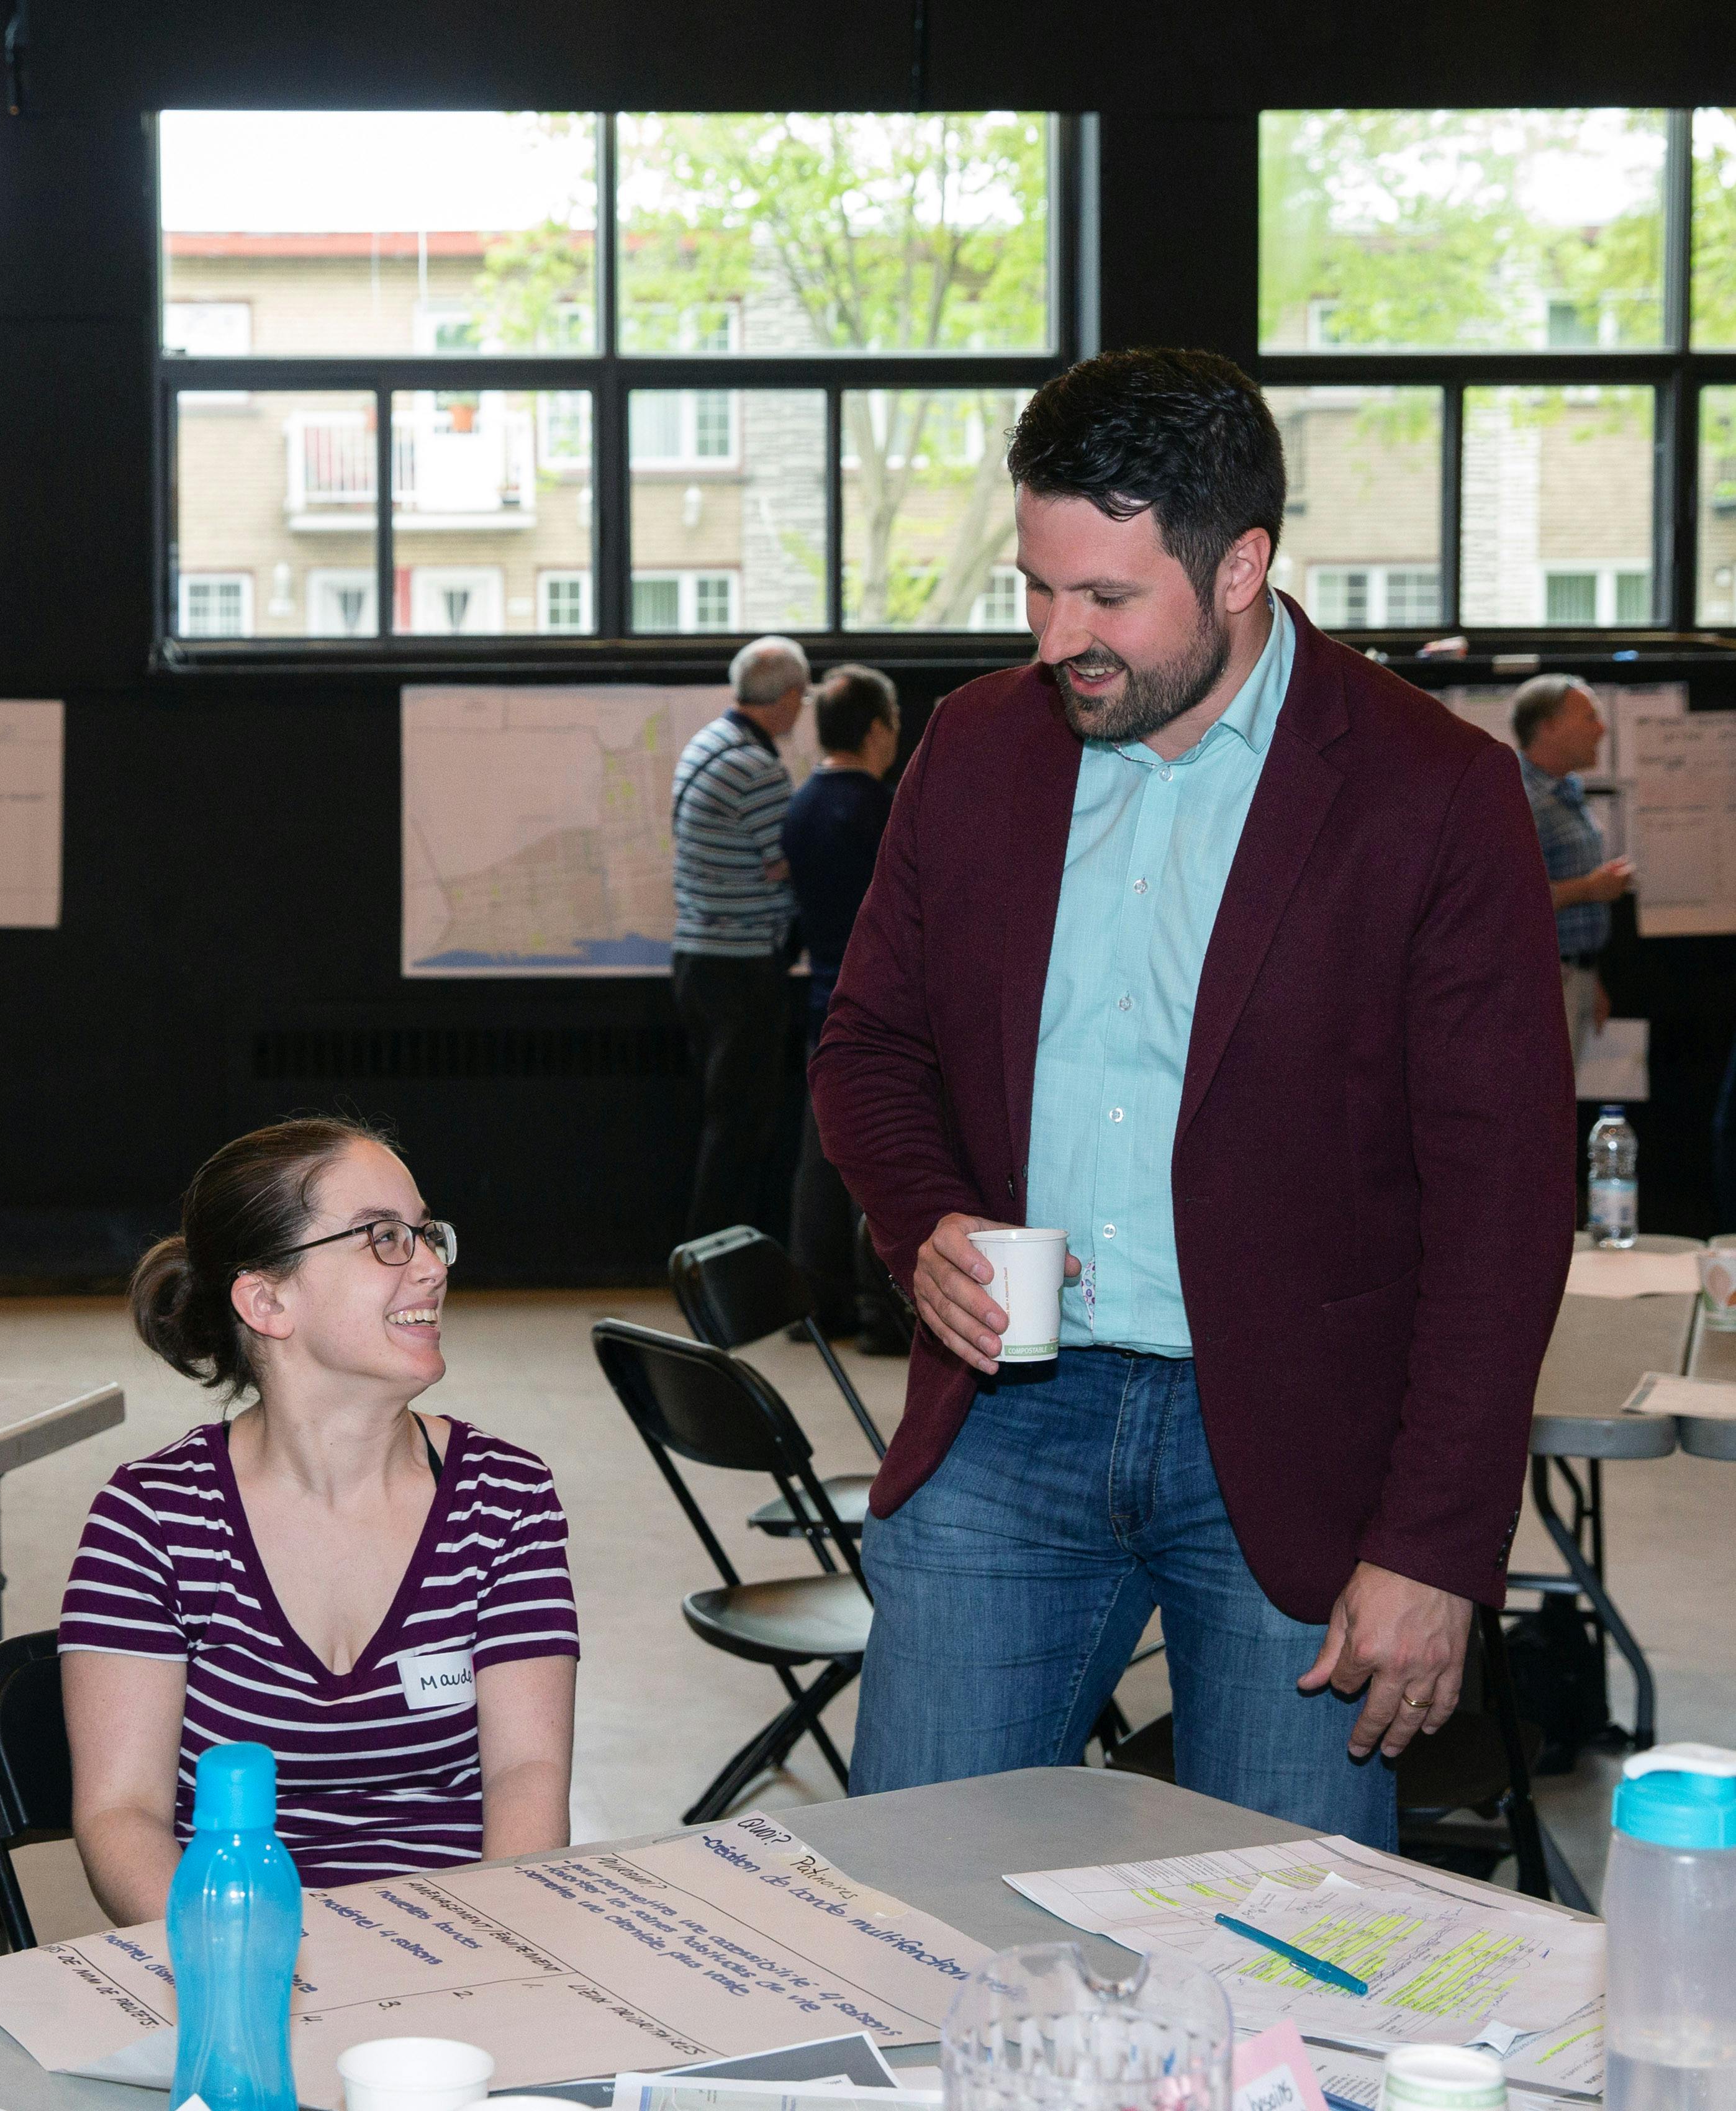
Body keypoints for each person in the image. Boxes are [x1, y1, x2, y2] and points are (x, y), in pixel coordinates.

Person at [812, 348, 1572, 1848]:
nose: (1057, 639)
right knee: (897, 1894)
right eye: (1035, 588)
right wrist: (925, 1226)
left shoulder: (1428, 790)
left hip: (1292, 1453)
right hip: (1007, 1428)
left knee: (1285, 1955)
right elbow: (868, 1044)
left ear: (1239, 565)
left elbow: (1501, 1203)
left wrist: (1433, 1541)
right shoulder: (972, 750)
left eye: (1106, 599)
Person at [59, 1118, 576, 1923]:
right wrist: (249, 1966)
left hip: (467, 1957)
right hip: (237, 1957)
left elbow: (528, 1780)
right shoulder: (152, 1520)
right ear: (268, 1301)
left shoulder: (505, 1499)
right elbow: (120, 1817)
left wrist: (488, 1957)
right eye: (384, 1239)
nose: (434, 1267)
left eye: (427, 1234)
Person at [783, 665, 905, 1354]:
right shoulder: (881, 811)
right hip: (879, 1006)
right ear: (874, 729)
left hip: (820, 997)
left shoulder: (800, 807)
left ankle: (817, 1304)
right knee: (880, 1158)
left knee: (820, 1159)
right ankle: (883, 1313)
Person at [672, 636, 805, 1238]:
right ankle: (715, 1262)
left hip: (698, 959)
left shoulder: (706, 744)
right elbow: (790, 862)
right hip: (743, 967)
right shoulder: (755, 768)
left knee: (724, 1118)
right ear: (790, 698)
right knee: (741, 1125)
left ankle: (711, 1254)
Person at [1506, 674, 1629, 1072]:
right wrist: (1591, 889)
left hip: (1573, 975)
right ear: (1548, 727)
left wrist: (1589, 978)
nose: (1602, 727)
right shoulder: (1521, 799)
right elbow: (1507, 901)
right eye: (1589, 717)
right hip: (1535, 985)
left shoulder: (1566, 790)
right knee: (1534, 1114)